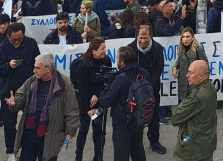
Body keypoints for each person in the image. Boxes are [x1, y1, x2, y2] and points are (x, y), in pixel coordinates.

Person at [5, 53, 78, 161]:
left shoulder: (64, 83)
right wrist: (15, 102)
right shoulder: (32, 81)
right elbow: (21, 96)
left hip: (50, 137)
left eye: (37, 68)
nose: (34, 70)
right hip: (29, 136)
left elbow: (71, 109)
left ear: (48, 68)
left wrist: (70, 132)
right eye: (34, 67)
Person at [87, 46, 151, 161]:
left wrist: (101, 94)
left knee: (121, 155)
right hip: (138, 119)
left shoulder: (120, 79)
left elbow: (106, 101)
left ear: (122, 62)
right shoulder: (144, 73)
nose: (116, 60)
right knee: (138, 151)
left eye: (117, 58)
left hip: (122, 125)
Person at [0, 23, 41, 161]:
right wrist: (9, 65)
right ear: (8, 36)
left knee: (30, 121)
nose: (17, 41)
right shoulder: (2, 47)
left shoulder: (31, 44)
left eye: (20, 38)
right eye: (14, 39)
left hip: (29, 89)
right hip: (9, 91)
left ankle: (27, 148)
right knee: (9, 123)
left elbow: (37, 63)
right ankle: (11, 151)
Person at [129, 25, 167, 155]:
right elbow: (129, 68)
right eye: (141, 38)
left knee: (154, 116)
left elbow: (159, 67)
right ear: (137, 37)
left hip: (152, 88)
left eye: (145, 38)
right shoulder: (131, 48)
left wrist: (149, 85)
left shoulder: (158, 48)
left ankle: (154, 142)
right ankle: (135, 143)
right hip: (135, 89)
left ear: (150, 36)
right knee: (135, 116)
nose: (143, 41)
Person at [73, 38, 112, 161]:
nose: (104, 51)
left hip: (98, 99)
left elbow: (106, 81)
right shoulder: (83, 65)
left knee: (98, 129)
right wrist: (90, 109)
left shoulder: (106, 61)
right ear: (93, 51)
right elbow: (83, 88)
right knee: (83, 129)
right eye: (102, 49)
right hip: (85, 102)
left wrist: (97, 95)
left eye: (105, 48)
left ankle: (98, 156)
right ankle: (78, 156)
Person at [170, 59, 217, 161]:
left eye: (191, 73)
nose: (187, 75)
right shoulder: (210, 87)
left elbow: (175, 119)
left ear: (201, 76)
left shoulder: (196, 97)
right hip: (207, 143)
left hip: (195, 148)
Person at [172, 28, 207, 103]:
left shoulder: (199, 49)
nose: (185, 39)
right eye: (183, 37)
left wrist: (203, 86)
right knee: (182, 110)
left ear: (193, 37)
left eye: (188, 37)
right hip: (182, 85)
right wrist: (175, 67)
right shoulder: (181, 48)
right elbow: (179, 60)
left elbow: (206, 68)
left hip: (194, 87)